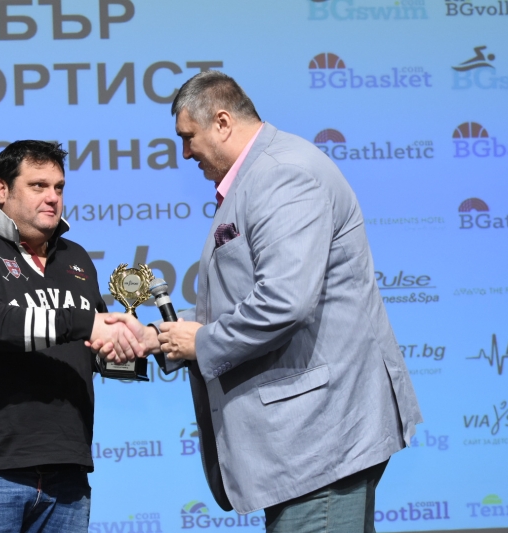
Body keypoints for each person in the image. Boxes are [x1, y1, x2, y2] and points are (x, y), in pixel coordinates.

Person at [94, 71, 423, 532]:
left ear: (222, 122)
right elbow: (241, 300)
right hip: (306, 444)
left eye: (188, 137)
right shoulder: (259, 176)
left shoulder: (282, 173)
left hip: (319, 440)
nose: (184, 153)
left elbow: (284, 301)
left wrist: (201, 343)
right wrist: (155, 337)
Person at [0, 140, 144, 533]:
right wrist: (86, 324)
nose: (52, 197)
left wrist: (134, 344)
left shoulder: (77, 259)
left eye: (59, 187)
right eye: (38, 186)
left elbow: (92, 346)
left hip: (67, 470)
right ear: (2, 190)